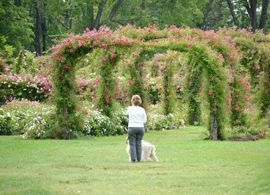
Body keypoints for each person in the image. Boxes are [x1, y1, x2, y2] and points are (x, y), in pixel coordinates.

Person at [127, 94, 147, 162]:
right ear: (140, 101)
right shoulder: (142, 109)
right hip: (140, 128)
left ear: (132, 101)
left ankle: (133, 159)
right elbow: (144, 120)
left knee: (132, 144)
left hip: (132, 127)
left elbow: (127, 115)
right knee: (139, 143)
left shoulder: (129, 108)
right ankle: (139, 158)